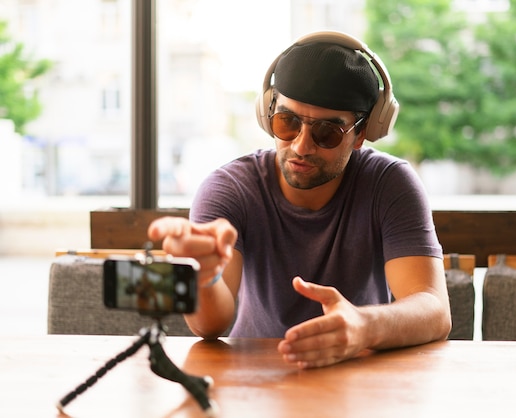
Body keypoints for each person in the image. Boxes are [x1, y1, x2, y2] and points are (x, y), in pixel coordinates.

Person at [148, 31, 451, 368]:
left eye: (326, 132)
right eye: (287, 122)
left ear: (362, 134)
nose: (302, 146)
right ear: (267, 114)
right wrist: (203, 275)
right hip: (254, 379)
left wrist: (364, 327)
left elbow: (434, 310)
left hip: (359, 374)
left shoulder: (388, 183)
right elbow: (208, 326)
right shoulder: (229, 188)